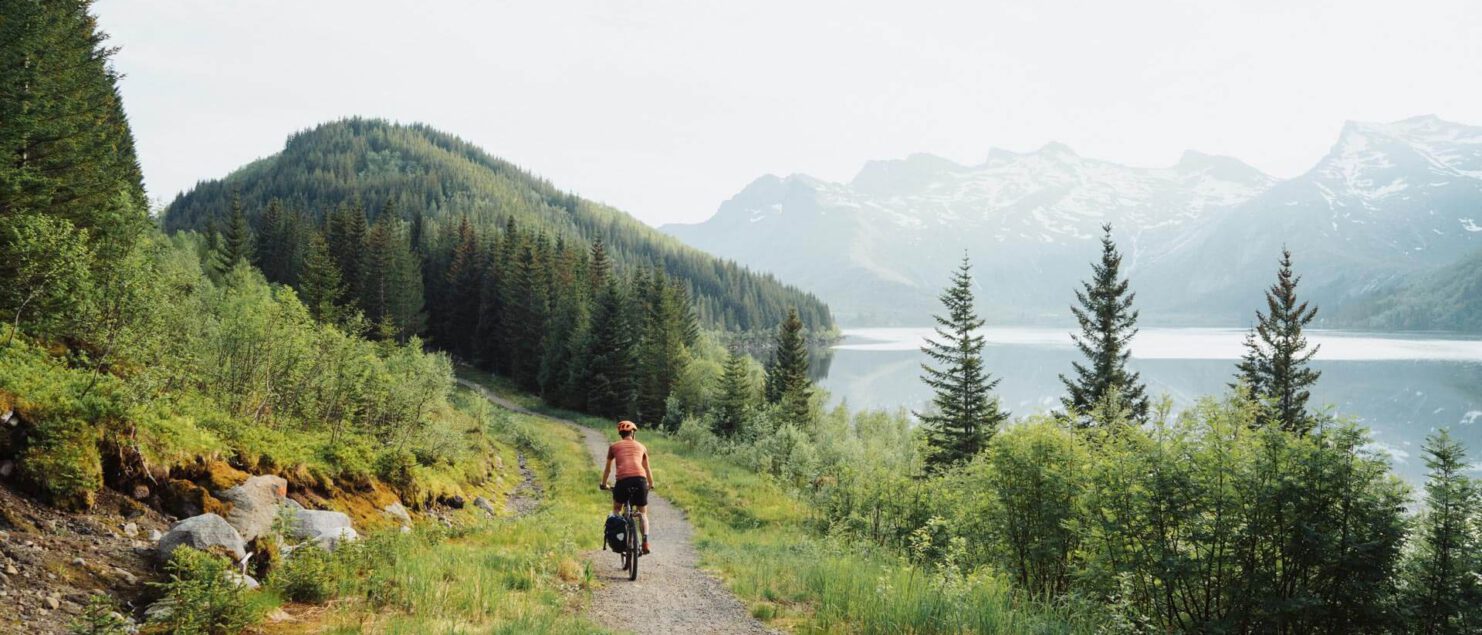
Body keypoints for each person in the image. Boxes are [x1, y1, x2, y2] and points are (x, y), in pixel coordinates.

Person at [600, 420, 654, 554]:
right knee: (643, 513)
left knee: (617, 509)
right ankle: (645, 541)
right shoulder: (642, 446)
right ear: (633, 433)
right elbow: (647, 469)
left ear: (620, 434)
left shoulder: (613, 447)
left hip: (623, 481)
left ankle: (622, 538)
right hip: (640, 480)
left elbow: (607, 470)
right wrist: (651, 484)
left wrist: (604, 484)